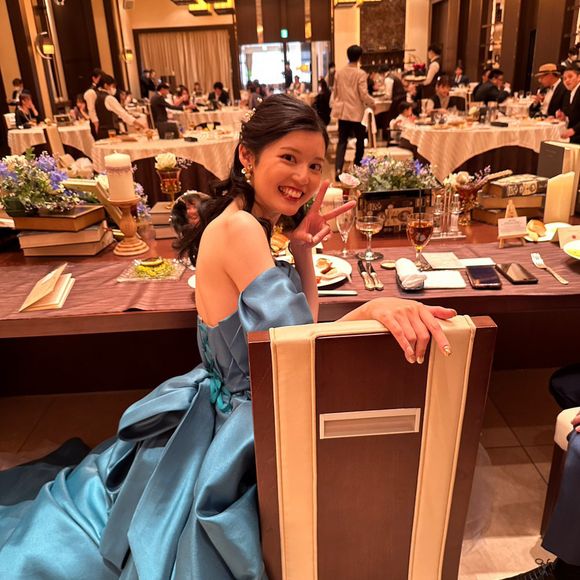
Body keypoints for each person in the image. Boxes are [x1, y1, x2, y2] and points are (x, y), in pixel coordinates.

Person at [0, 93, 456, 578]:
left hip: (232, 396)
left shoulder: (246, 221)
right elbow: (297, 346)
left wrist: (302, 251)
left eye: (314, 165)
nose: (303, 177)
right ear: (247, 156)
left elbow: (297, 323)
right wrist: (373, 307)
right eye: (289, 158)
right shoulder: (240, 230)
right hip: (242, 417)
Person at [332, 44, 375, 178]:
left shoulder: (339, 72)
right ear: (359, 57)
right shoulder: (360, 73)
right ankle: (357, 168)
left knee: (342, 141)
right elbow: (363, 94)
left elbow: (335, 92)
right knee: (360, 141)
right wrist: (372, 102)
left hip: (343, 112)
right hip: (357, 113)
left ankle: (338, 169)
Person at [94, 74, 145, 139]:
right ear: (106, 85)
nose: (114, 89)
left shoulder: (97, 97)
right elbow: (124, 114)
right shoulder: (109, 98)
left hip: (101, 132)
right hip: (110, 133)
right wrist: (141, 125)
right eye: (112, 86)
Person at [558, 63, 580, 144]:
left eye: (570, 76)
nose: (567, 80)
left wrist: (573, 130)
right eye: (564, 78)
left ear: (579, 77)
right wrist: (564, 116)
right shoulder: (569, 93)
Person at [84, 67, 102, 139]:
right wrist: (96, 124)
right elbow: (91, 109)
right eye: (100, 78)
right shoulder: (91, 91)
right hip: (96, 123)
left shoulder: (99, 89)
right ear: (94, 78)